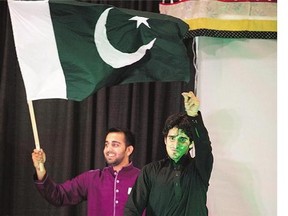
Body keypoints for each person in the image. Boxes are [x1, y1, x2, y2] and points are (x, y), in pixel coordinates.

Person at [124, 91, 213, 216]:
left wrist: (194, 116)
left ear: (191, 143)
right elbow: (132, 210)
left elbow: (204, 147)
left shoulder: (199, 169)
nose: (175, 145)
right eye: (172, 138)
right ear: (165, 140)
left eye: (182, 139)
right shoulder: (150, 171)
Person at [32, 128, 140, 216]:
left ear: (129, 150)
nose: (108, 149)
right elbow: (58, 195)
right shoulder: (92, 178)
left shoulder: (143, 179)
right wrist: (39, 168)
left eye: (115, 145)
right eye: (106, 144)